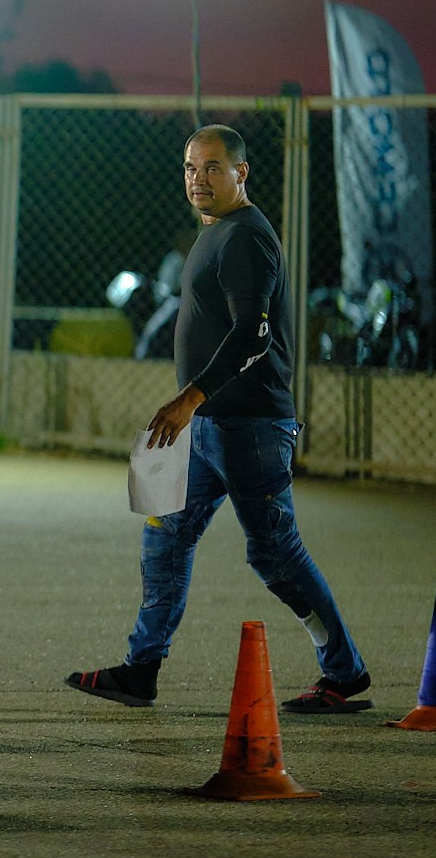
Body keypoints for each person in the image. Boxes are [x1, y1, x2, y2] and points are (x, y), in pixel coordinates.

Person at [66, 124, 372, 714]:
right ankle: (141, 669)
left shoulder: (246, 239)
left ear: (241, 173)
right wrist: (194, 410)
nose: (198, 180)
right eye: (189, 167)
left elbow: (251, 337)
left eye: (212, 168)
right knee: (166, 538)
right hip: (206, 428)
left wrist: (190, 397)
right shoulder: (213, 233)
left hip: (249, 427)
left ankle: (345, 675)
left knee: (274, 553)